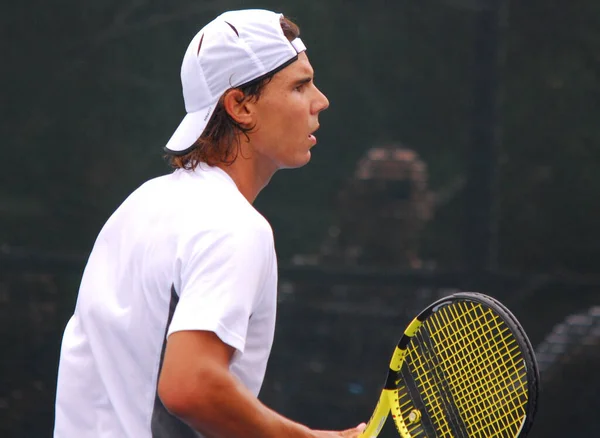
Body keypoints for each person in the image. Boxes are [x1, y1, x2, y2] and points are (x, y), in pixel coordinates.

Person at [53, 9, 366, 438]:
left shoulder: (140, 205)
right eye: (299, 85)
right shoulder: (234, 226)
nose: (320, 100)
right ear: (240, 105)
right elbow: (189, 386)